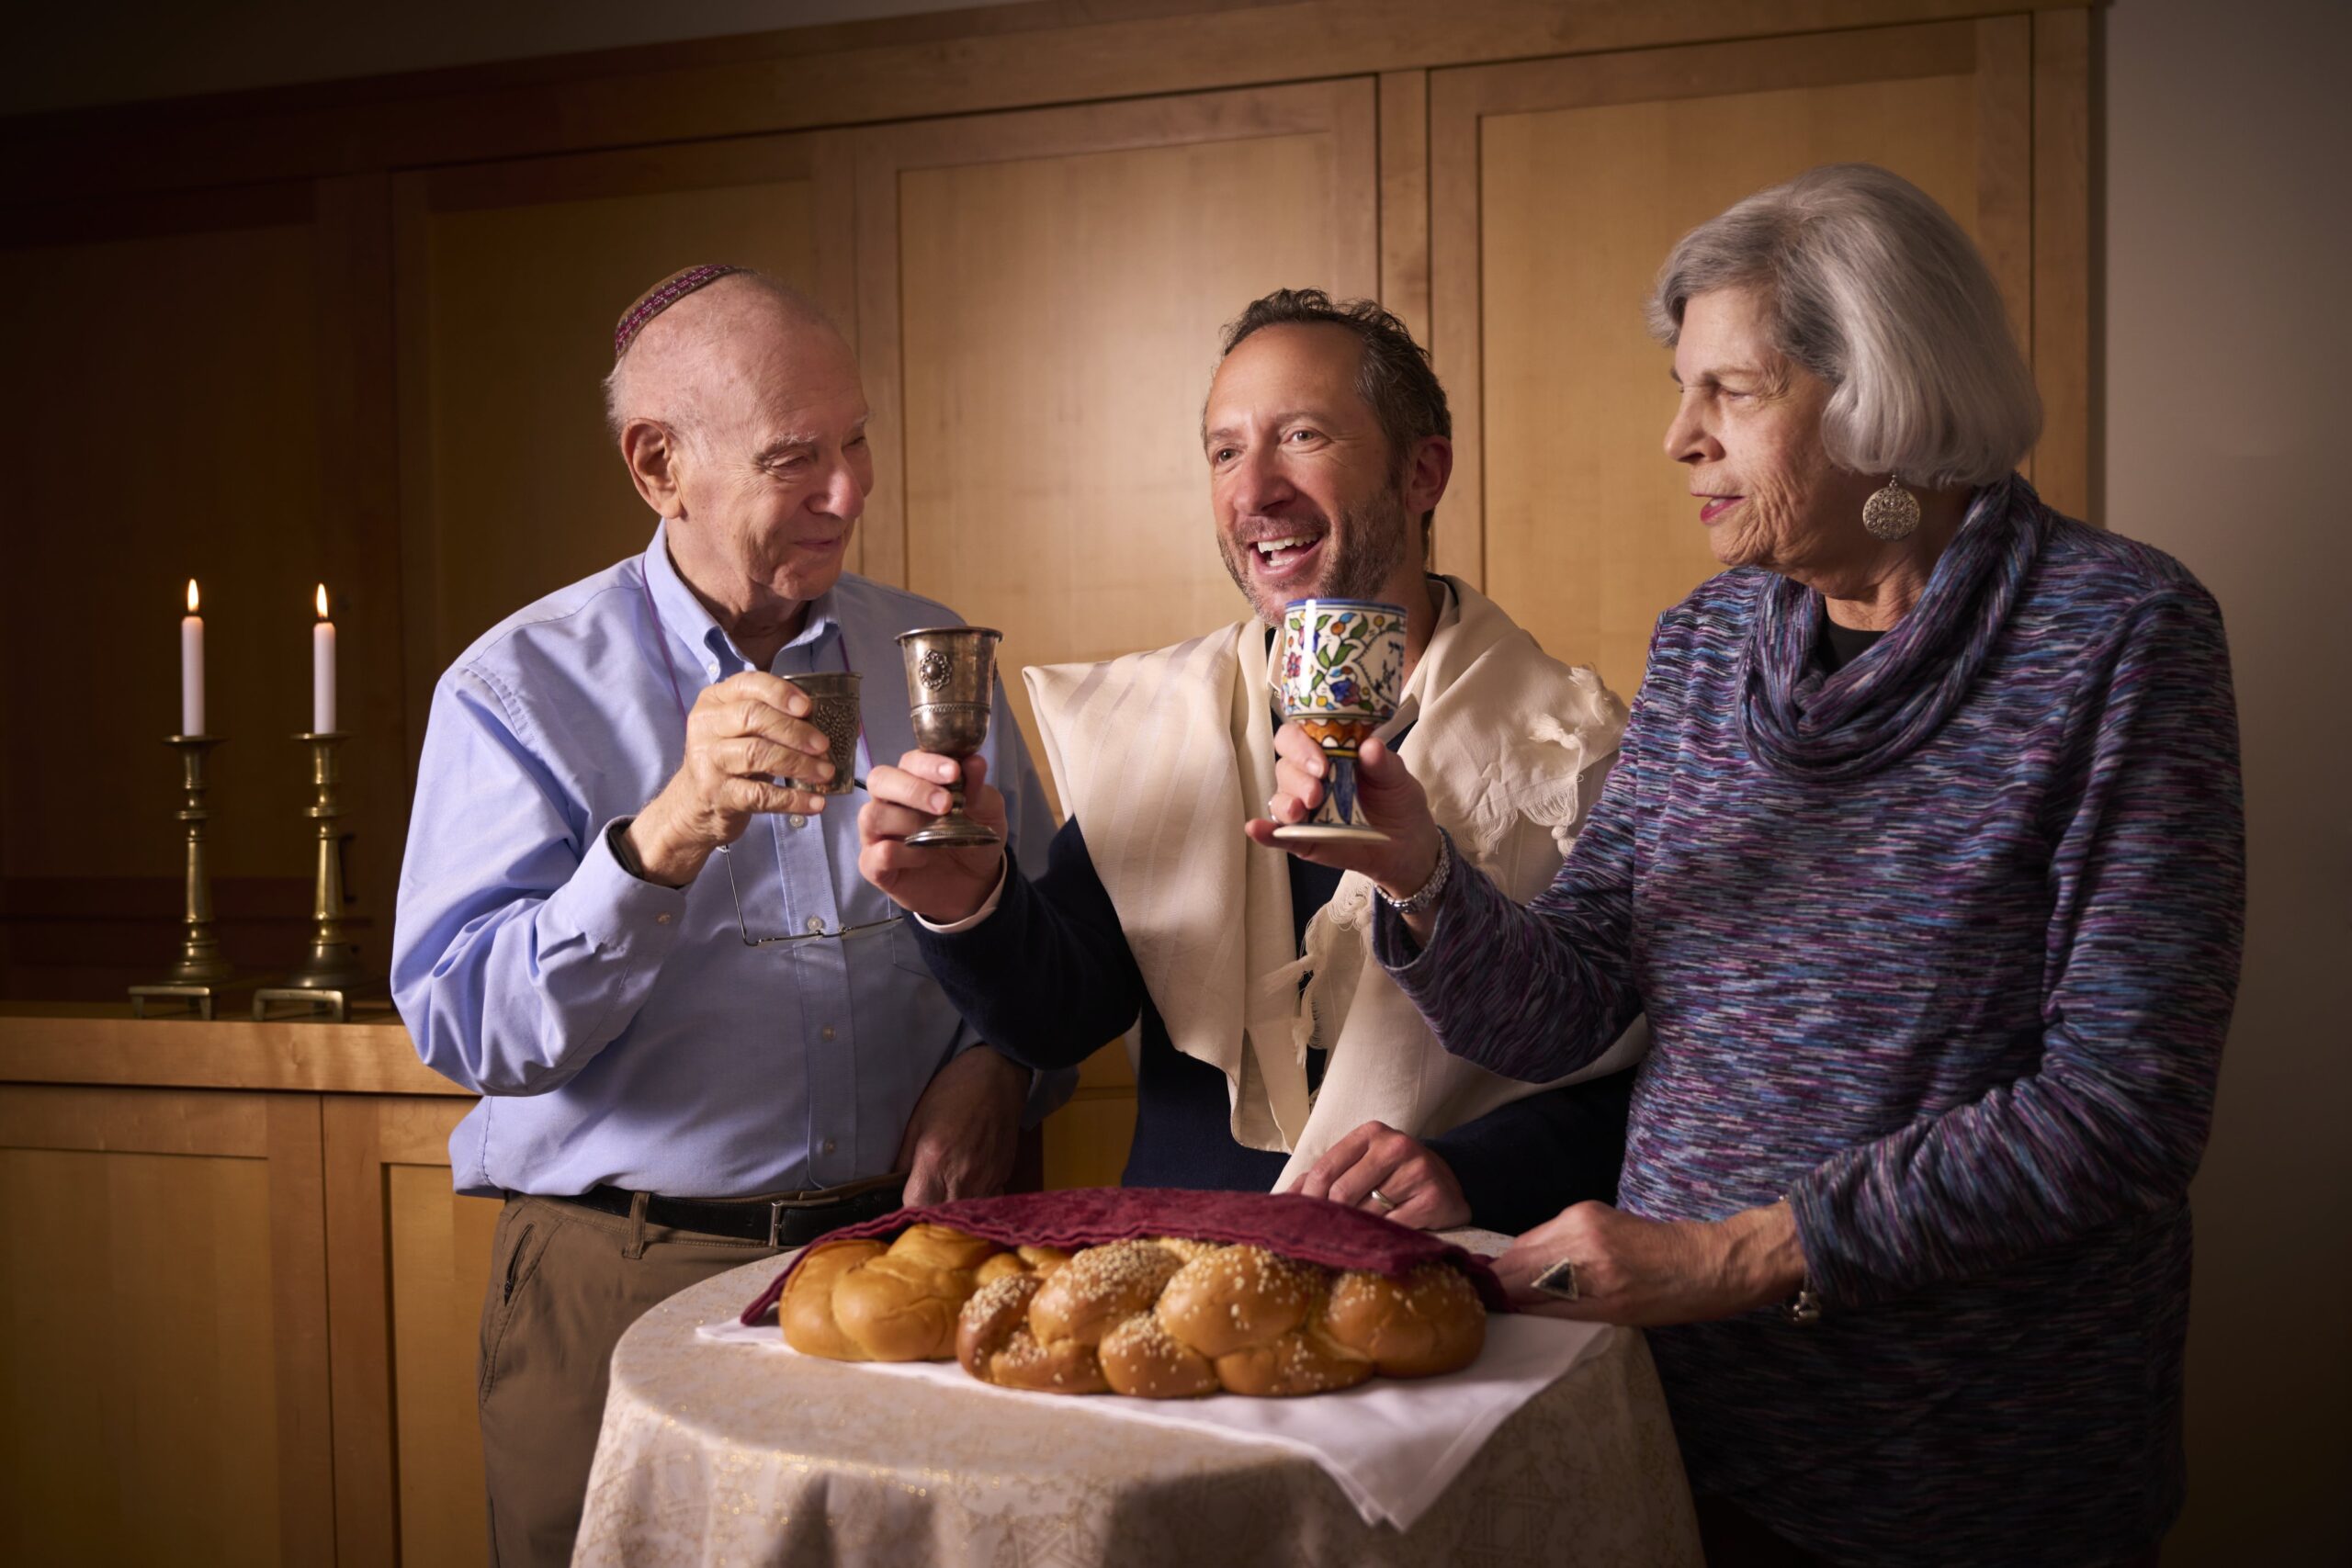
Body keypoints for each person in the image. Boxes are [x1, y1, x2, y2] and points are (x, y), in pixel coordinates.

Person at [1263, 165, 2244, 1567]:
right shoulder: (1714, 640)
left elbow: (2125, 1107)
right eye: (1684, 389)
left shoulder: (2119, 636)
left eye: (1732, 391)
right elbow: (1567, 1002)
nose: (1680, 437)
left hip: (1974, 1456)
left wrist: (1730, 1253)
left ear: (1884, 394)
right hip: (1681, 1413)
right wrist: (1423, 870)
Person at [390, 265, 1057, 1568]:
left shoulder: (924, 648)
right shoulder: (512, 688)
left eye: (857, 441)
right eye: (795, 457)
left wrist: (1003, 1063)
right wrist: (663, 834)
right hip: (624, 1275)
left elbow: (1044, 943)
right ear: (658, 466)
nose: (851, 491)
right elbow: (471, 1032)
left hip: (912, 1266)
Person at [857, 288, 1644, 1235]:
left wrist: (1476, 1172)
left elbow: (1645, 1073)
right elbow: (1059, 1017)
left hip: (1446, 1286)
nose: (1251, 491)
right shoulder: (1162, 724)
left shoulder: (1577, 746)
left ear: (1422, 473)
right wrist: (969, 903)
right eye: (1225, 451)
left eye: (1302, 436)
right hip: (1182, 1279)